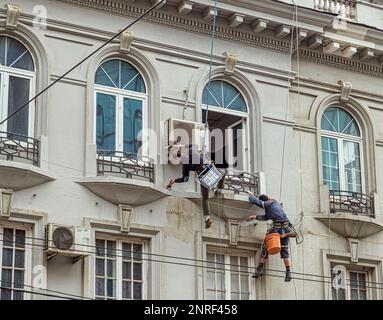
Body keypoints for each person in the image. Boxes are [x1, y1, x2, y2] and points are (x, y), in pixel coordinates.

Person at [166, 144, 225, 229]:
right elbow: (194, 145)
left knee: (205, 199)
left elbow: (185, 179)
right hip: (210, 171)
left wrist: (174, 180)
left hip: (203, 178)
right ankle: (218, 189)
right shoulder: (191, 151)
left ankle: (207, 218)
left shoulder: (185, 166)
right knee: (223, 172)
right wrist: (181, 145)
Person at [246, 192, 293, 282]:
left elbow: (257, 202)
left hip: (277, 229)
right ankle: (288, 272)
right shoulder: (274, 203)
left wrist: (251, 195)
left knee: (265, 246)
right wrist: (254, 217)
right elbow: (266, 217)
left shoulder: (267, 204)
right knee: (284, 251)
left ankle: (259, 269)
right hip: (286, 229)